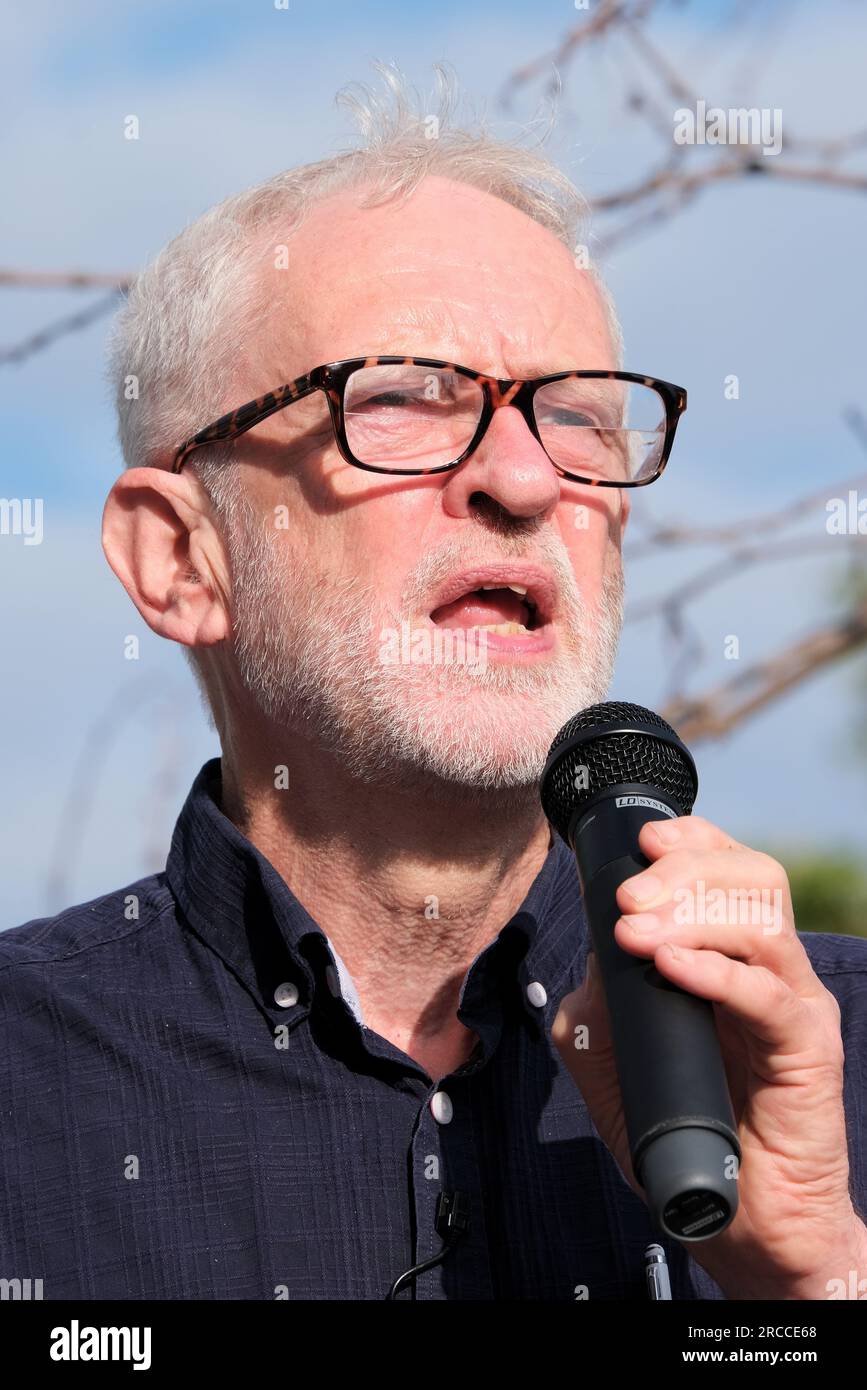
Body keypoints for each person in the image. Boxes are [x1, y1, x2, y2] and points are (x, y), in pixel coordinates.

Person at [2, 66, 865, 1301]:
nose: (524, 481)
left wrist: (818, 1277)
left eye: (578, 417)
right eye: (404, 396)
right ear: (181, 557)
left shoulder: (829, 1060)